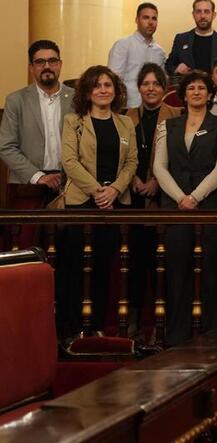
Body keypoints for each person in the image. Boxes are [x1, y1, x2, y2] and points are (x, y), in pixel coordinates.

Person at [152, 70, 217, 345]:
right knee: (177, 271)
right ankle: (177, 336)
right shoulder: (168, 126)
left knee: (211, 270)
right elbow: (159, 167)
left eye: (201, 88)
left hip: (210, 206)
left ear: (210, 95)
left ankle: (211, 333)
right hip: (176, 207)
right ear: (183, 95)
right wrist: (180, 198)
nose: (196, 92)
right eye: (191, 88)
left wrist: (195, 197)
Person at [60, 66, 138, 338]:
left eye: (108, 85)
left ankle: (97, 329)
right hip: (82, 202)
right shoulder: (74, 121)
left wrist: (114, 190)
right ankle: (74, 328)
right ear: (87, 92)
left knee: (104, 266)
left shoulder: (125, 122)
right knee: (77, 266)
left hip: (114, 203)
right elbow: (69, 161)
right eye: (97, 85)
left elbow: (132, 162)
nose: (103, 90)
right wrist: (97, 191)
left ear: (115, 90)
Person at [124, 62, 181, 337]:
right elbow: (121, 157)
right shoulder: (127, 117)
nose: (150, 88)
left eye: (156, 84)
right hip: (133, 198)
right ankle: (134, 322)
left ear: (164, 88)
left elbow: (180, 159)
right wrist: (134, 179)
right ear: (139, 88)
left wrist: (157, 182)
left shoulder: (175, 115)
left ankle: (164, 323)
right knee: (136, 262)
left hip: (164, 198)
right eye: (145, 83)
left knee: (164, 263)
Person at [0, 40, 73, 193]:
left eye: (52, 61)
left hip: (70, 184)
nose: (47, 66)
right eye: (40, 62)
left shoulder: (77, 99)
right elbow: (5, 146)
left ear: (60, 64)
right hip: (27, 184)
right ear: (31, 68)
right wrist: (38, 176)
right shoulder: (16, 100)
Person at [108, 3, 167, 108]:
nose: (150, 22)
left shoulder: (160, 52)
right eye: (146, 18)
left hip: (153, 108)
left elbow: (161, 82)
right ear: (137, 20)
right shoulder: (123, 45)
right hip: (128, 106)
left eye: (154, 19)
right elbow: (114, 79)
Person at [165, 0, 217, 75]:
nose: (202, 16)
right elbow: (169, 65)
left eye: (206, 11)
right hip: (189, 86)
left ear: (214, 15)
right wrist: (176, 69)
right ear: (193, 14)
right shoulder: (181, 39)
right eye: (198, 11)